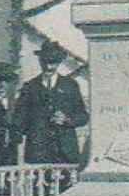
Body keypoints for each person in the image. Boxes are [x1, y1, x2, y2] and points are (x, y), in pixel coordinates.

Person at [14, 41, 89, 170]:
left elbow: (83, 117)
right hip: (39, 155)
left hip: (66, 154)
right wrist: (36, 126)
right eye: (45, 62)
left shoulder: (70, 85)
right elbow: (19, 121)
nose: (49, 66)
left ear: (59, 62)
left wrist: (67, 120)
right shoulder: (29, 87)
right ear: (40, 61)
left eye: (53, 62)